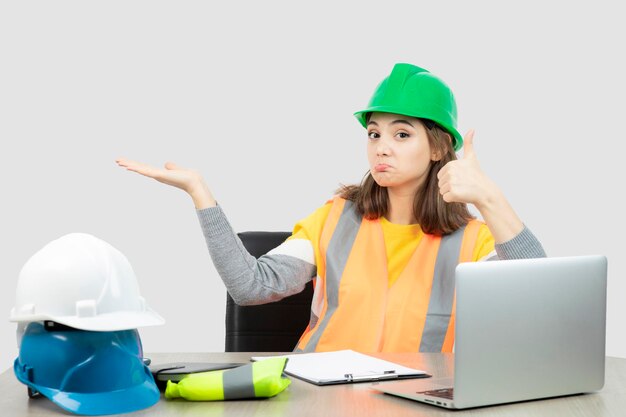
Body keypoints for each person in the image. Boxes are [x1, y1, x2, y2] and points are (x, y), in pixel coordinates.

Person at [116, 63, 546, 353]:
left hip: (420, 400)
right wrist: (200, 192)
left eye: (401, 135)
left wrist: (489, 198)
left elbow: (536, 305)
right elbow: (250, 287)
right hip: (320, 396)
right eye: (374, 134)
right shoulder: (336, 217)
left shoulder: (477, 239)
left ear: (438, 147)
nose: (381, 148)